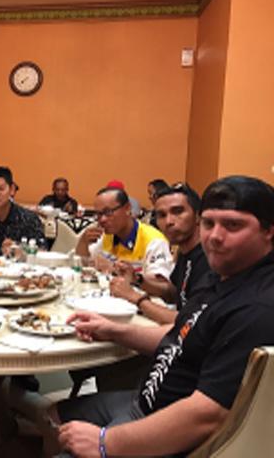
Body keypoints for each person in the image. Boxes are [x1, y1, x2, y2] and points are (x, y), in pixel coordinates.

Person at [43, 175, 274, 458]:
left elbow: (208, 415)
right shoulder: (222, 275)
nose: (215, 236)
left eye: (233, 225)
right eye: (209, 223)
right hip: (144, 400)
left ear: (269, 231)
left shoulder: (258, 307)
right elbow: (182, 332)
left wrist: (105, 442)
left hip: (172, 427)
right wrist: (111, 329)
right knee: (51, 417)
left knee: (67, 441)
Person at [110, 183, 210, 324]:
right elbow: (172, 293)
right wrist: (137, 279)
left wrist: (135, 297)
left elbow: (191, 322)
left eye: (178, 211)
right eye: (162, 215)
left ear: (198, 216)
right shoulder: (185, 251)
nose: (169, 221)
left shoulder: (210, 259)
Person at [75, 187, 173, 279]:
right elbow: (83, 263)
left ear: (127, 208)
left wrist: (114, 269)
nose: (102, 219)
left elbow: (161, 284)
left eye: (108, 212)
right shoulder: (106, 235)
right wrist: (83, 242)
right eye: (99, 214)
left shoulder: (154, 241)